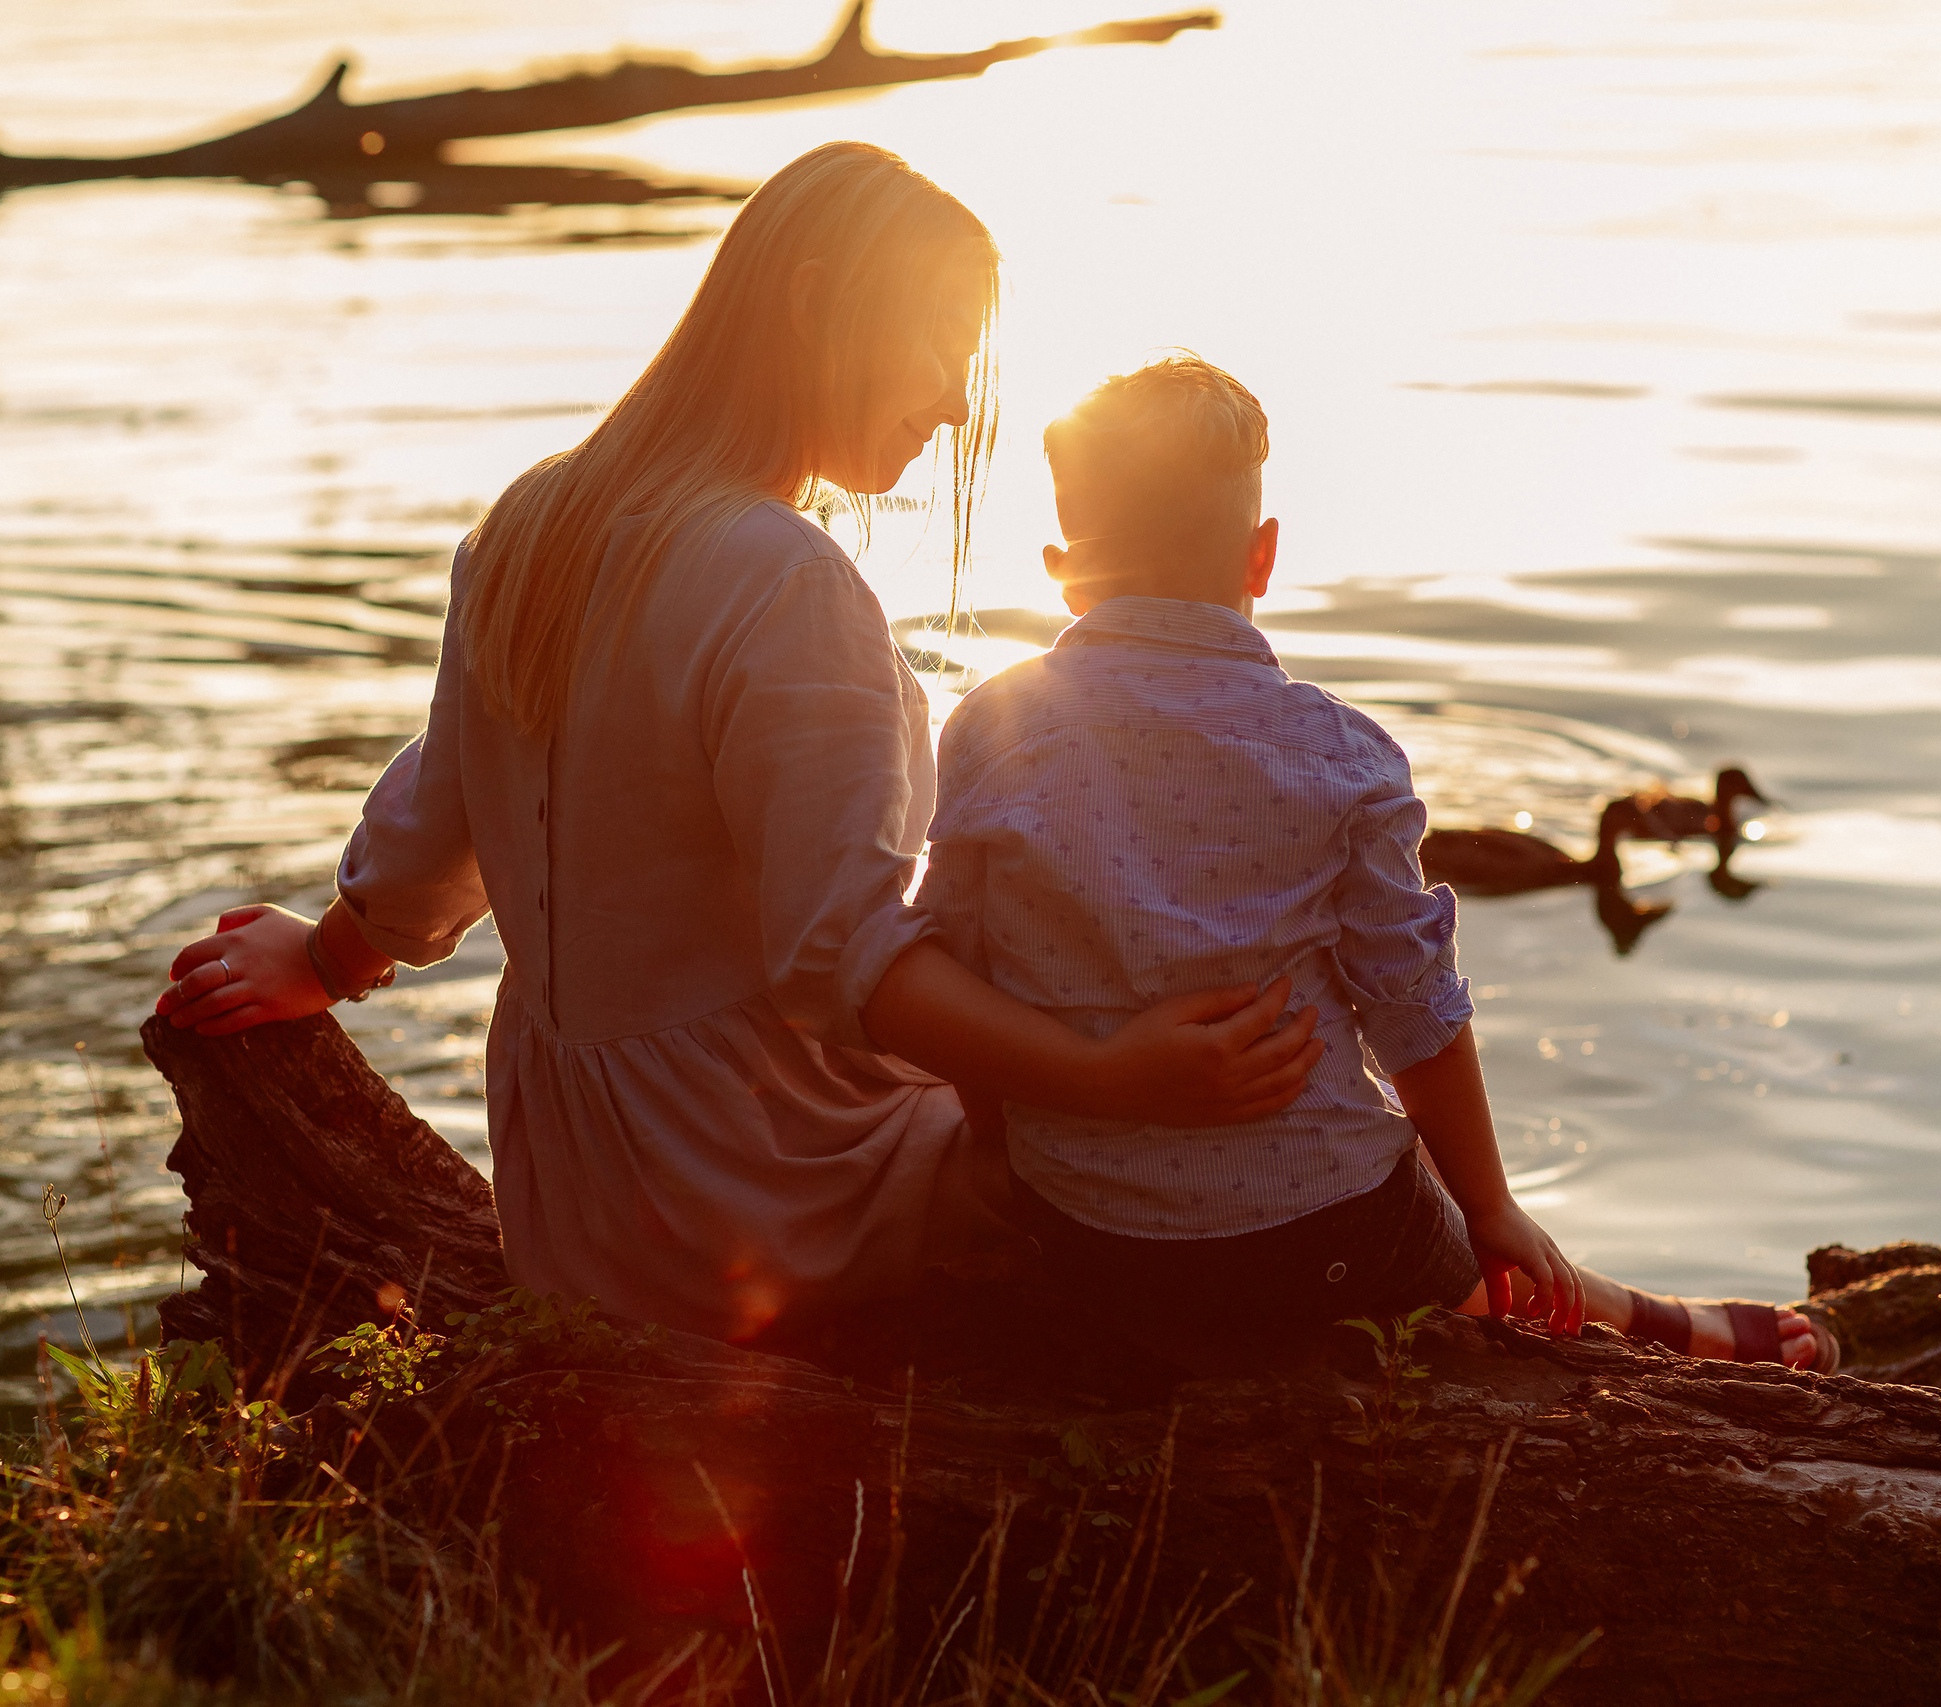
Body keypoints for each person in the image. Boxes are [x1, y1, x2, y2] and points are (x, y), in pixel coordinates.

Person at [153, 145, 1323, 1345]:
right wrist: (1105, 1074)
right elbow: (842, 961)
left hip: (577, 1203)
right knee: (1226, 1123)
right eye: (939, 348)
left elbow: (432, 832)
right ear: (815, 302)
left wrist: (329, 957)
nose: (956, 401)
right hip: (769, 1189)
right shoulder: (781, 579)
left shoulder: (526, 523)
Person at [916, 354, 1837, 1373]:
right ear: (1262, 557)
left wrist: (1011, 1149)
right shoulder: (1340, 757)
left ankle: (1612, 1296)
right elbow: (1416, 1011)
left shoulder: (988, 732)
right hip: (1325, 1245)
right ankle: (1659, 1320)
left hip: (1081, 1232)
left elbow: (959, 963)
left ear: (1059, 565)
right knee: (1424, 1197)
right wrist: (1489, 1206)